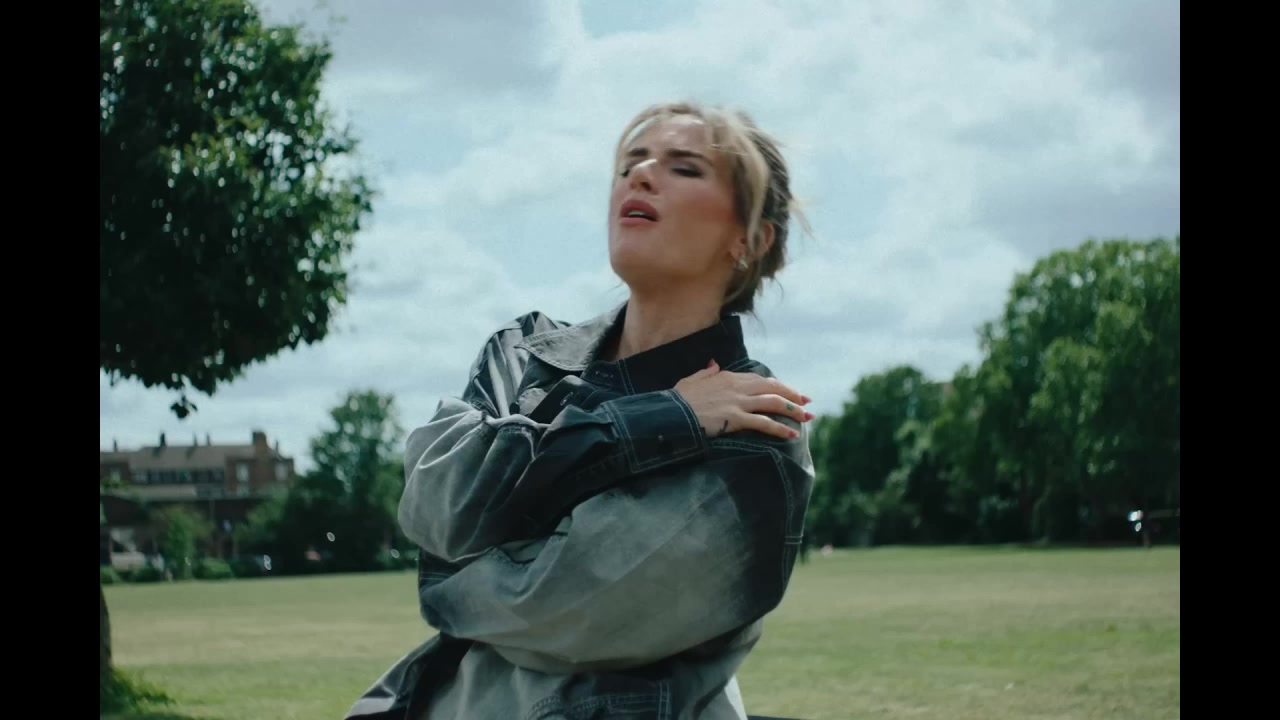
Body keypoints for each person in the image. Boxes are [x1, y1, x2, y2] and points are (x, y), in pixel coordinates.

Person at [346, 101, 816, 720]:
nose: (641, 174)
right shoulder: (523, 353)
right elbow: (436, 501)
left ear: (749, 239)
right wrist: (663, 417)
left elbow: (563, 612)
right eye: (630, 163)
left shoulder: (759, 431)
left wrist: (448, 576)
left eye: (685, 168)